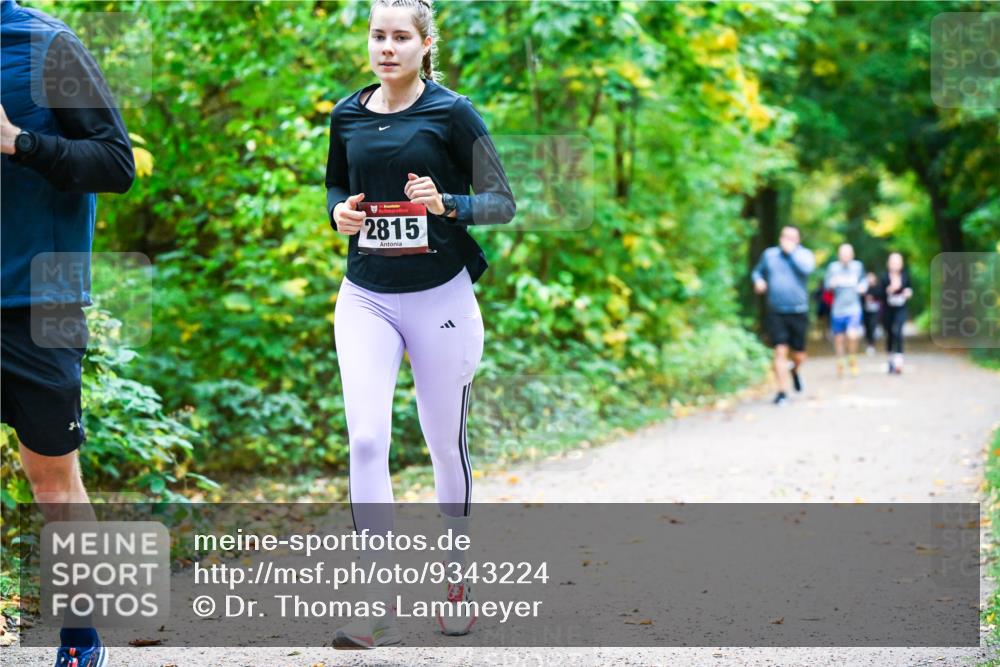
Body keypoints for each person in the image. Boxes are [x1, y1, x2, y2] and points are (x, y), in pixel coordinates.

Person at [324, 0, 515, 648]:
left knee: (443, 443)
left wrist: (448, 202)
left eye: (401, 36)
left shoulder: (452, 113)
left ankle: (456, 575)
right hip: (366, 298)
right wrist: (339, 216)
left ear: (425, 43)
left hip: (440, 299)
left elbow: (503, 201)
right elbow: (332, 189)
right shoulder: (346, 114)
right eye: (378, 35)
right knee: (368, 440)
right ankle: (374, 598)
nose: (387, 47)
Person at [1, 0, 135, 665]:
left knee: (51, 477)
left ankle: (81, 638)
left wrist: (18, 141)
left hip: (39, 298)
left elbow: (116, 163)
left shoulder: (46, 45)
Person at [751, 226, 816, 405]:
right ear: (780, 238)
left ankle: (795, 370)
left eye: (792, 238)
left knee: (799, 355)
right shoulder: (770, 255)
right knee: (780, 350)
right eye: (785, 237)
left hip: (799, 311)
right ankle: (782, 392)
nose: (787, 240)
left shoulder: (804, 255)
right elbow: (757, 271)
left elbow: (807, 270)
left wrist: (792, 253)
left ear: (798, 240)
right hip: (776, 311)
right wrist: (758, 280)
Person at [823, 243, 867, 377]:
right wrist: (831, 284)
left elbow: (863, 281)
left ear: (852, 255)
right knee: (839, 338)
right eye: (843, 254)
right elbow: (826, 286)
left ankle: (852, 358)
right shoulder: (833, 268)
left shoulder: (858, 266)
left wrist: (862, 287)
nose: (845, 257)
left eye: (848, 254)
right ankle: (840, 361)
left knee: (852, 335)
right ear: (839, 255)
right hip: (838, 309)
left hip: (854, 307)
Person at [877, 252, 913, 374]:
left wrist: (908, 293)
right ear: (888, 264)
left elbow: (909, 289)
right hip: (887, 310)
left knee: (898, 331)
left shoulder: (905, 276)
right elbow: (878, 294)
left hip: (901, 308)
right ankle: (890, 360)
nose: (895, 265)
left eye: (898, 262)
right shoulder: (884, 277)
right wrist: (888, 290)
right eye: (893, 262)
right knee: (890, 334)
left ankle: (899, 361)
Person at [862, 272, 881, 355]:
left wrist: (872, 297)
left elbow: (880, 296)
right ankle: (868, 344)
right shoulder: (864, 288)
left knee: (872, 326)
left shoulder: (877, 287)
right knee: (867, 327)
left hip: (875, 310)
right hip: (866, 310)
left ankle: (872, 345)